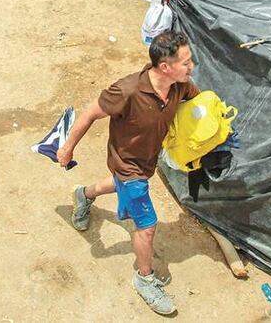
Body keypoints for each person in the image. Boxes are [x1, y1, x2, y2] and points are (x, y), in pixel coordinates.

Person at [57, 31, 198, 316]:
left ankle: (84, 195)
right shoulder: (128, 90)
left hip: (146, 163)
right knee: (147, 226)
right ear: (165, 67)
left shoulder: (180, 86)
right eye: (185, 62)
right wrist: (67, 148)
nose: (191, 66)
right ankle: (144, 278)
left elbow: (199, 103)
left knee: (121, 186)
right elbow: (90, 113)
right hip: (127, 166)